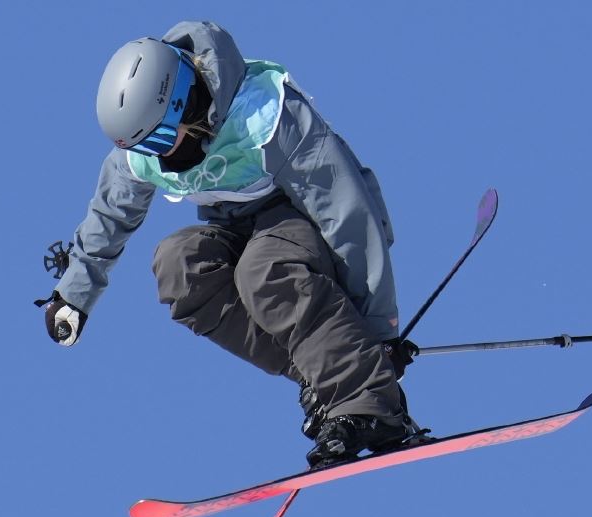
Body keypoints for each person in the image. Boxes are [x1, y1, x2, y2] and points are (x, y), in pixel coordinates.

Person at [37, 21, 424, 468]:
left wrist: (377, 331)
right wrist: (75, 292)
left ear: (184, 101)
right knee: (179, 266)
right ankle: (325, 374)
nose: (157, 155)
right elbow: (111, 212)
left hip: (304, 219)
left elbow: (349, 215)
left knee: (264, 269)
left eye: (159, 139)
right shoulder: (147, 152)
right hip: (239, 227)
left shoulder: (265, 115)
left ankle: (370, 403)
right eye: (143, 147)